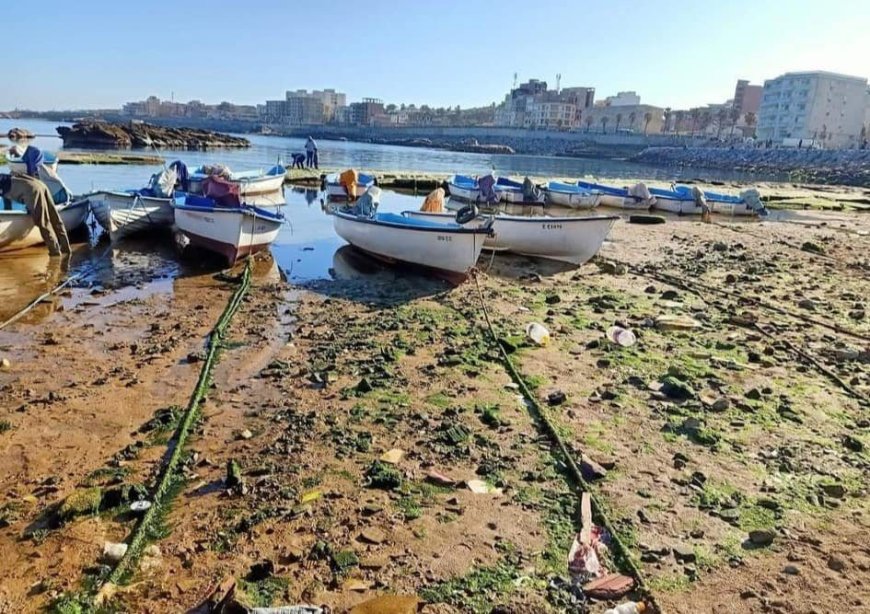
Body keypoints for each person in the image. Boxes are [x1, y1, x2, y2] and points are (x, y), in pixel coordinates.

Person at [0, 172, 71, 256]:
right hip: (39, 184)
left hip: (31, 189)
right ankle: (66, 249)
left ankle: (55, 253)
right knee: (54, 216)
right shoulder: (3, 178)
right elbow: (6, 196)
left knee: (43, 222)